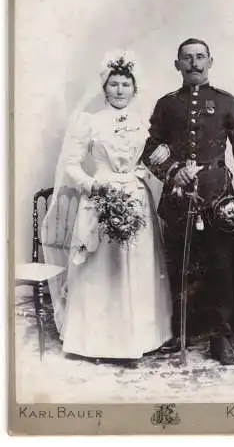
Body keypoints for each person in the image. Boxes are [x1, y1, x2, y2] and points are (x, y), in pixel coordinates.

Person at [42, 51, 172, 365]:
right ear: (104, 87)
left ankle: (141, 338)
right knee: (101, 267)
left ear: (134, 88)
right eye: (114, 83)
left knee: (136, 264)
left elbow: (154, 156)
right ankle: (96, 340)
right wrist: (92, 185)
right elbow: (72, 165)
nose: (119, 89)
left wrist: (160, 155)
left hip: (136, 198)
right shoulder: (90, 122)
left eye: (126, 83)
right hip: (100, 196)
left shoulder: (144, 123)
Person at [142, 38, 234, 365]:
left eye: (200, 57)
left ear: (210, 61)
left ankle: (220, 339)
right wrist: (172, 172)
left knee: (220, 268)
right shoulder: (166, 105)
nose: (194, 63)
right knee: (179, 267)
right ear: (177, 64)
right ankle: (181, 331)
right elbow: (150, 148)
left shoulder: (226, 102)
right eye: (187, 58)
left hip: (217, 197)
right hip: (179, 199)